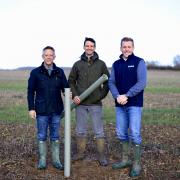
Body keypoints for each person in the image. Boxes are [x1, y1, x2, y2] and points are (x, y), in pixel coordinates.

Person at [108, 37, 147, 177]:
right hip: (119, 104)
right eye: (124, 46)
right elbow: (111, 82)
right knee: (121, 133)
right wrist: (117, 96)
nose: (126, 49)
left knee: (135, 134)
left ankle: (136, 163)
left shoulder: (139, 62)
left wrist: (127, 95)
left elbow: (142, 83)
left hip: (134, 104)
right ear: (120, 48)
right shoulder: (116, 64)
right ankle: (125, 160)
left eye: (129, 46)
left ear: (133, 48)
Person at [68, 37, 109, 166]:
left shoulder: (101, 64)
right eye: (87, 45)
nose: (89, 48)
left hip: (95, 104)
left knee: (99, 131)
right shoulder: (77, 64)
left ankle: (101, 156)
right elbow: (71, 81)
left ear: (94, 48)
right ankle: (80, 154)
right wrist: (75, 95)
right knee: (80, 130)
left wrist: (100, 96)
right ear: (84, 47)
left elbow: (108, 82)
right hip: (80, 103)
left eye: (92, 46)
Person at [27, 46, 68, 170]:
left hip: (56, 110)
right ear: (43, 56)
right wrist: (31, 108)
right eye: (46, 55)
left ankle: (56, 161)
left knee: (55, 136)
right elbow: (30, 91)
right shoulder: (35, 73)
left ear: (54, 57)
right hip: (42, 110)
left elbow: (65, 88)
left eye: (51, 55)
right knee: (42, 136)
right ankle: (42, 161)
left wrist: (69, 94)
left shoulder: (59, 72)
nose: (49, 57)